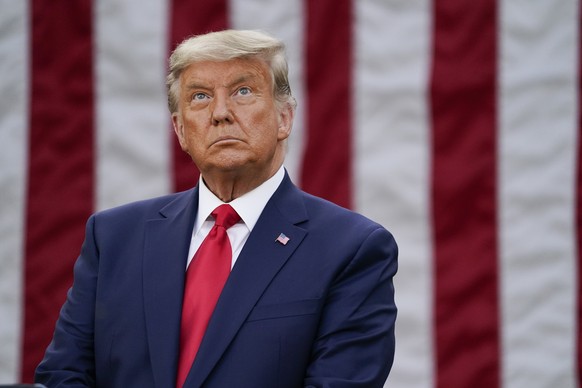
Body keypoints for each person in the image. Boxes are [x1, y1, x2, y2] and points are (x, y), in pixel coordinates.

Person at [35, 29, 398, 387]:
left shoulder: (352, 249)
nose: (221, 113)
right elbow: (63, 375)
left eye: (243, 91)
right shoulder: (112, 237)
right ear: (180, 130)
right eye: (200, 97)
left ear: (284, 118)